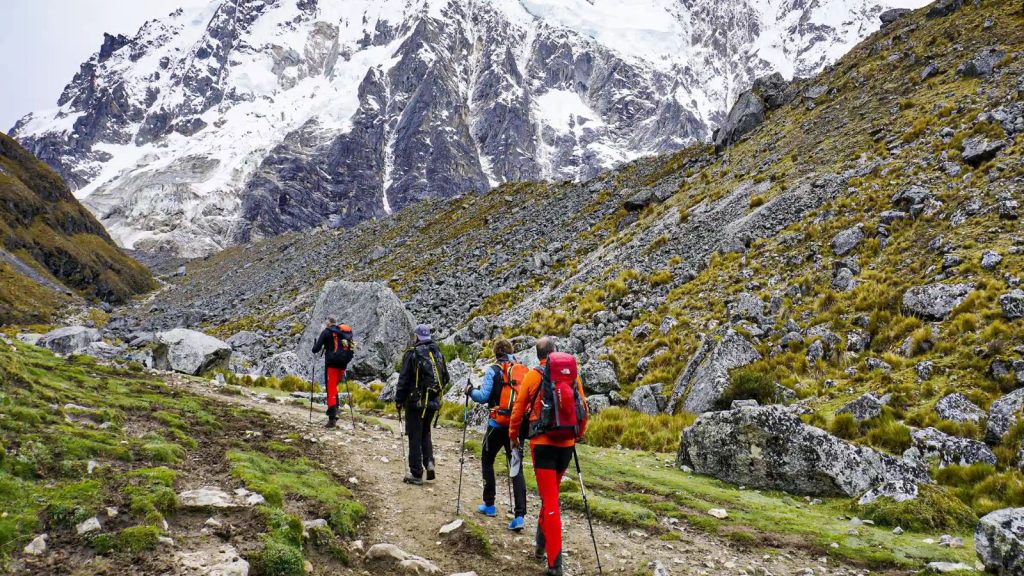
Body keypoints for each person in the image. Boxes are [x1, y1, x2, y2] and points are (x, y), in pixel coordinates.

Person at [509, 337, 589, 576]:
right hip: (566, 445)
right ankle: (541, 545)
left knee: (550, 500)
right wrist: (578, 435)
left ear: (538, 355)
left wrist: (514, 436)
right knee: (550, 494)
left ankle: (555, 564)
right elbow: (582, 409)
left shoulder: (533, 376)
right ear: (555, 353)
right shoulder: (571, 375)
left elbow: (518, 409)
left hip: (542, 445)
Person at [464, 338, 528, 531]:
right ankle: (519, 516)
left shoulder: (493, 370)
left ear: (496, 352)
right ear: (510, 351)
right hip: (516, 427)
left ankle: (489, 504)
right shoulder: (520, 370)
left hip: (496, 424)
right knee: (516, 466)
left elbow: (483, 397)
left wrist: (470, 391)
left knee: (487, 459)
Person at [395, 324, 450, 485]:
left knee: (414, 435)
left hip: (415, 402)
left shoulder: (412, 354)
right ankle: (429, 463)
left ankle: (416, 473)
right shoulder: (437, 352)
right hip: (432, 401)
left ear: (417, 337)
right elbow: (445, 377)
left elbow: (403, 380)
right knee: (425, 432)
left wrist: (399, 400)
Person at [311, 318, 354, 428]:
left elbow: (315, 349)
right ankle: (336, 411)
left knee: (331, 389)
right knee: (334, 387)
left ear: (328, 323)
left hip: (331, 365)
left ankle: (332, 419)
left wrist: (315, 344)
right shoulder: (343, 333)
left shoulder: (326, 332)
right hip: (343, 365)